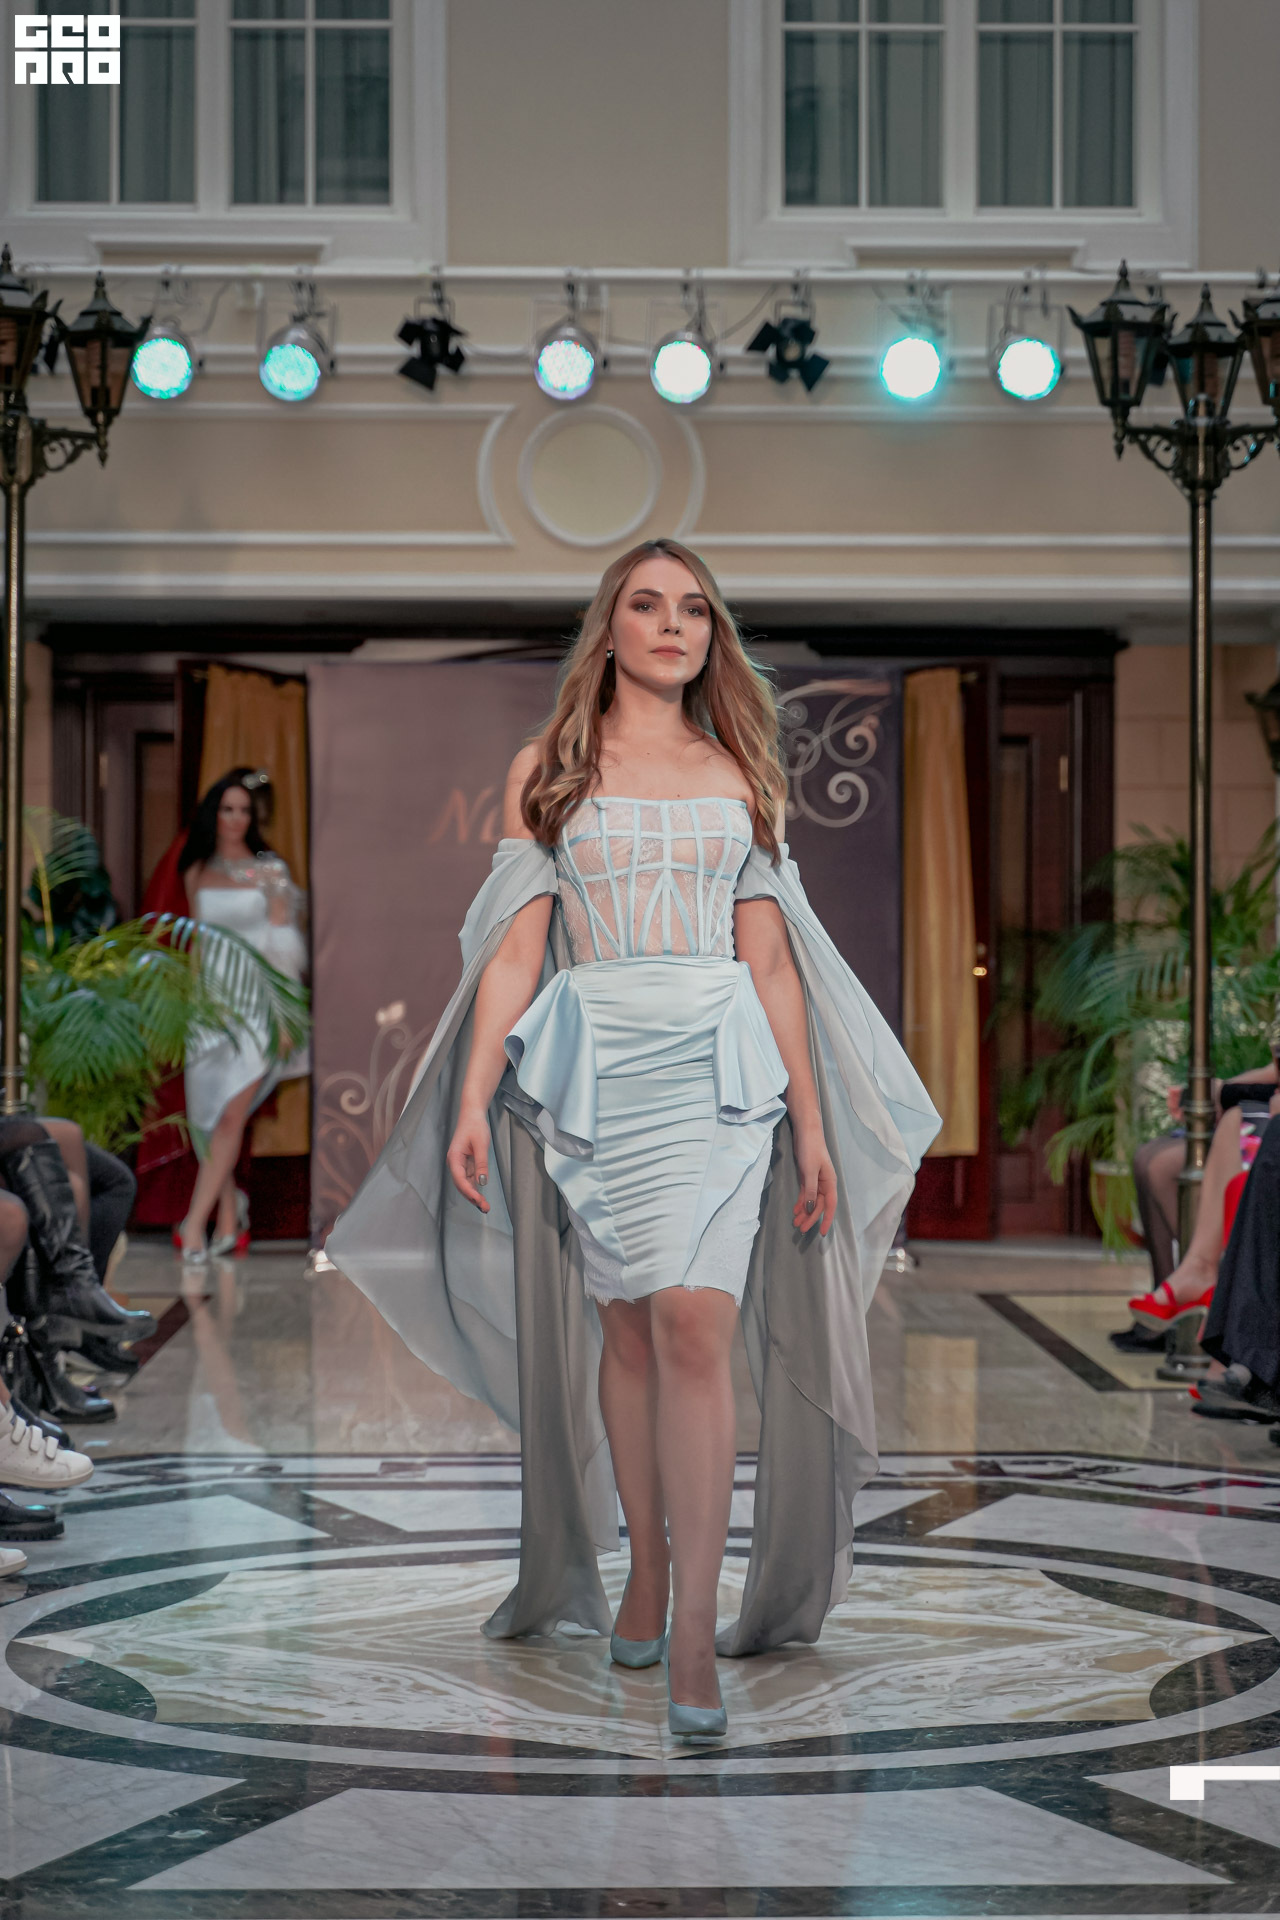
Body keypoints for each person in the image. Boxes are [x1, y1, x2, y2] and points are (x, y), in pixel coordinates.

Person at [328, 538, 940, 1742]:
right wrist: (470, 1100)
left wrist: (813, 1127)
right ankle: (646, 1572)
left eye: (694, 610)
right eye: (647, 606)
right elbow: (515, 949)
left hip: (718, 1070)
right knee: (626, 1328)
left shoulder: (743, 769)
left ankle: (693, 1631)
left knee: (695, 1324)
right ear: (608, 628)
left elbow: (771, 963)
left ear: (712, 635)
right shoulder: (547, 767)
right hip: (596, 1069)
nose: (672, 626)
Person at [176, 769, 309, 1263]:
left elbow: (284, 944)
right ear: (213, 814)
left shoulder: (270, 870)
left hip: (259, 1005)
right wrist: (190, 1007)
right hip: (209, 1008)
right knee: (207, 1120)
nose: (235, 819)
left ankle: (193, 1225)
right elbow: (196, 946)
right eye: (227, 809)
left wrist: (285, 1016)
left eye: (244, 810)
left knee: (232, 1115)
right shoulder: (196, 871)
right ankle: (231, 1215)